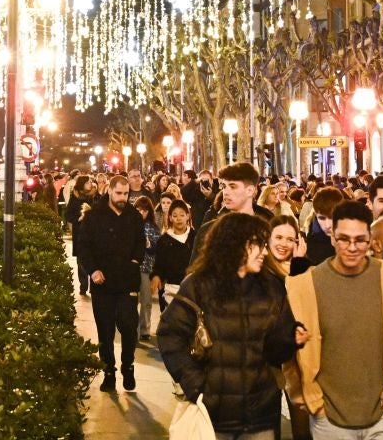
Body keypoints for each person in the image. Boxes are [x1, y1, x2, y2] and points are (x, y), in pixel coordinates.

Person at [157, 212, 305, 440]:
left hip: (261, 416)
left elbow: (275, 352)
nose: (266, 252)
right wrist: (196, 386)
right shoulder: (199, 285)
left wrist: (290, 339)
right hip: (215, 416)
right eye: (259, 245)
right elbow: (170, 335)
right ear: (236, 244)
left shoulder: (272, 288)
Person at [284, 202, 383, 440]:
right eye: (344, 239)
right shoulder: (305, 286)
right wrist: (311, 401)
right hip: (329, 419)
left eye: (359, 240)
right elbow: (290, 351)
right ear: (333, 238)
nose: (352, 247)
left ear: (370, 240)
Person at [76, 173, 148, 393]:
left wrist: (135, 260)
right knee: (105, 331)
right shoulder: (94, 216)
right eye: (119, 193)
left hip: (127, 281)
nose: (123, 197)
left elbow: (140, 243)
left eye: (126, 194)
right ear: (109, 190)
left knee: (128, 327)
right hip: (103, 283)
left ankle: (128, 365)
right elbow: (84, 247)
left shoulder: (133, 216)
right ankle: (109, 371)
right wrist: (93, 270)